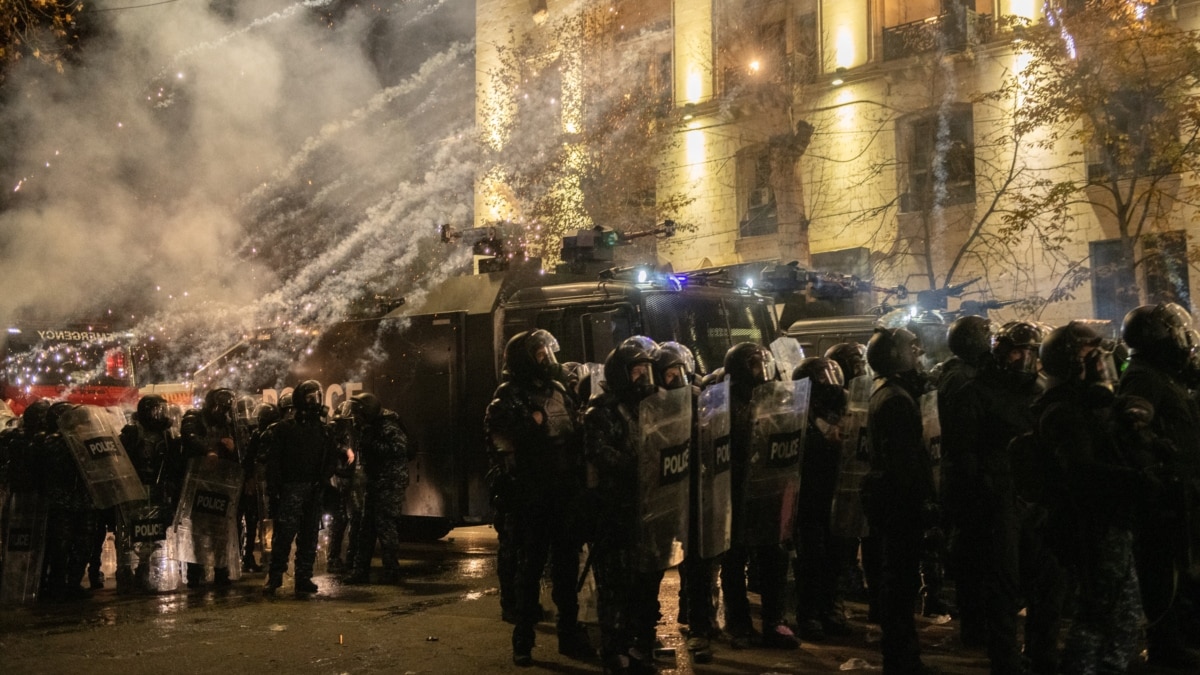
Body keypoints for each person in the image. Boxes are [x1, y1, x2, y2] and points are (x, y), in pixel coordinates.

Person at [1034, 322, 1153, 674]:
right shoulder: (1062, 411)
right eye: (1089, 356)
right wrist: (1135, 481)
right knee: (1097, 615)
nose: (1099, 364)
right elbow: (1082, 472)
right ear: (1069, 363)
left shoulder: (1082, 406)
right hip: (1089, 525)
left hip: (1107, 521)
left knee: (1123, 612)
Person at [485, 330, 592, 666]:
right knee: (528, 572)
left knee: (565, 571)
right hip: (530, 498)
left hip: (562, 495)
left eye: (548, 352)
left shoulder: (559, 391)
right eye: (541, 354)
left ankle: (570, 634)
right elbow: (502, 445)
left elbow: (574, 433)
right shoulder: (508, 397)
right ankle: (523, 641)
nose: (548, 359)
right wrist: (531, 426)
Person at [585, 336, 678, 674]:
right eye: (637, 371)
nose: (643, 377)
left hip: (652, 510)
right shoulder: (601, 410)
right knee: (615, 587)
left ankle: (641, 644)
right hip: (615, 512)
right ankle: (614, 650)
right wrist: (639, 463)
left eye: (646, 370)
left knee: (645, 585)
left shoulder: (655, 405)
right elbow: (600, 453)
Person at [1117, 304, 1200, 669]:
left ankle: (1182, 634)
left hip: (1182, 488)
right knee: (1163, 572)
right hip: (1164, 494)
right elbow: (1134, 433)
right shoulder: (1143, 376)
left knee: (1185, 567)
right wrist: (1157, 472)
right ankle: (1165, 644)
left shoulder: (1165, 374)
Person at [864, 327, 936, 674]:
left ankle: (903, 656)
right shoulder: (894, 399)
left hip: (891, 499)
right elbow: (905, 461)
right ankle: (902, 659)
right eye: (912, 349)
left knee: (898, 580)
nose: (918, 354)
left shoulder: (887, 391)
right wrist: (923, 501)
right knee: (900, 583)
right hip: (899, 502)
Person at [721, 342, 800, 650]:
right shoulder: (724, 401)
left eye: (764, 364)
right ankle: (738, 623)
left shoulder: (777, 396)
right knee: (734, 559)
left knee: (773, 556)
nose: (762, 371)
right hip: (735, 488)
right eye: (755, 365)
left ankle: (774, 620)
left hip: (769, 487)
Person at [263, 380, 353, 596]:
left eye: (317, 397)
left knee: (310, 534)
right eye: (310, 397)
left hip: (314, 488)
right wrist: (274, 489)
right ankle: (275, 577)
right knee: (284, 535)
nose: (314, 402)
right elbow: (274, 460)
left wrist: (324, 478)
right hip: (291, 488)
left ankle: (303, 577)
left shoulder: (323, 430)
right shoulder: (284, 429)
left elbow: (330, 457)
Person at [791, 356, 852, 642]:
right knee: (811, 558)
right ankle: (809, 615)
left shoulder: (844, 411)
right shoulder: (796, 416)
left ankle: (831, 610)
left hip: (836, 496)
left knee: (836, 557)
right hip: (809, 499)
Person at [117, 394, 185, 592]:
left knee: (154, 531)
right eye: (157, 410)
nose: (161, 414)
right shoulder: (132, 433)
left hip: (158, 488)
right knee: (131, 531)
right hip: (136, 488)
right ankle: (126, 570)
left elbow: (173, 461)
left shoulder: (166, 433)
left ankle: (144, 567)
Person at [344, 392, 411, 585]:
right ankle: (360, 571)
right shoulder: (370, 426)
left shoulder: (388, 425)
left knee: (386, 528)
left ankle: (392, 571)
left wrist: (373, 445)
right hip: (374, 483)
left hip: (389, 484)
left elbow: (399, 450)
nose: (356, 418)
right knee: (366, 529)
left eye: (359, 414)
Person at [179, 388, 243, 588]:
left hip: (222, 484)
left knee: (221, 531)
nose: (223, 412)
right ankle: (194, 574)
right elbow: (189, 438)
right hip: (199, 482)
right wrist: (211, 449)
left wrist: (233, 448)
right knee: (197, 531)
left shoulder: (229, 423)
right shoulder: (194, 417)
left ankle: (221, 571)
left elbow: (242, 450)